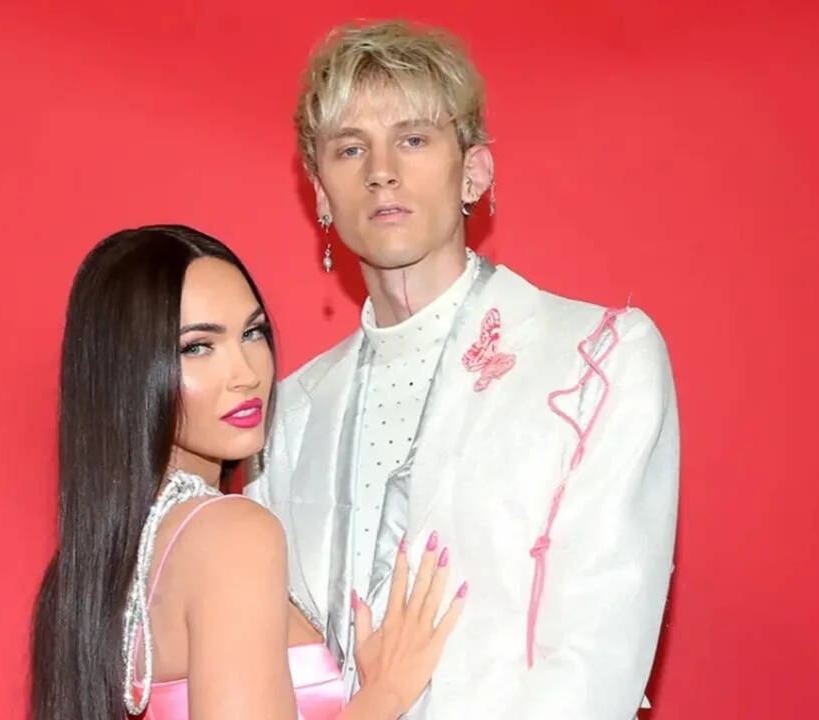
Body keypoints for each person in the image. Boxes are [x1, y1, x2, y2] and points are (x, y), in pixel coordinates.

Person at [246, 21, 680, 719]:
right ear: (321, 193)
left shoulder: (597, 360)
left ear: (474, 171)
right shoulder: (288, 420)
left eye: (414, 139)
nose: (381, 170)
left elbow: (597, 657)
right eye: (350, 148)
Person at [29, 225, 465, 720]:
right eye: (198, 347)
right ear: (128, 373)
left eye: (252, 333)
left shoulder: (84, 576)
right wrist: (384, 695)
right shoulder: (231, 532)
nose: (247, 374)